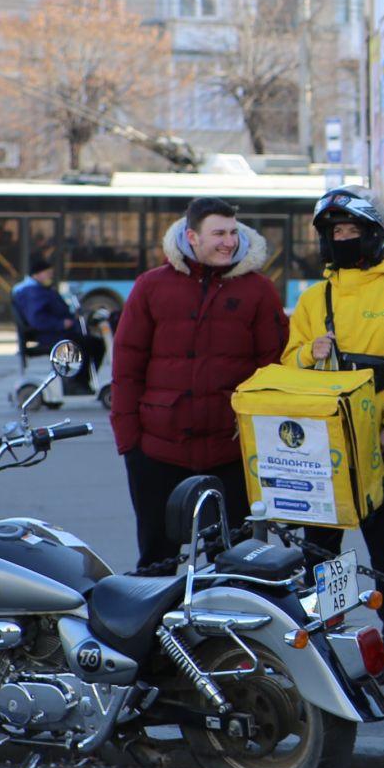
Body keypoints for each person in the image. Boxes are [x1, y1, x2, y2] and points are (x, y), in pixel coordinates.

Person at [284, 189, 384, 685]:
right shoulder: (312, 299)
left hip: (376, 448)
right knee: (324, 551)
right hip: (322, 449)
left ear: (371, 235)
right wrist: (310, 353)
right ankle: (330, 636)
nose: (341, 239)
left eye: (349, 231)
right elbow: (288, 365)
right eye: (334, 233)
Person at [110, 197, 287, 572]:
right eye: (218, 233)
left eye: (233, 232)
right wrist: (130, 443)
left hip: (232, 452)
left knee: (239, 563)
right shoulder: (151, 286)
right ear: (191, 236)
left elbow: (273, 369)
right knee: (157, 561)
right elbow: (126, 367)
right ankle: (156, 631)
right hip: (157, 451)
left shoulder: (258, 290)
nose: (228, 242)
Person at [11, 253, 106, 389]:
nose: (50, 276)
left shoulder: (40, 290)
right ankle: (77, 382)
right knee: (92, 344)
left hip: (57, 332)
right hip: (52, 335)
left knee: (92, 342)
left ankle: (79, 381)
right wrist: (61, 323)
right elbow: (37, 320)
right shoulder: (33, 292)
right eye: (48, 273)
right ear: (36, 275)